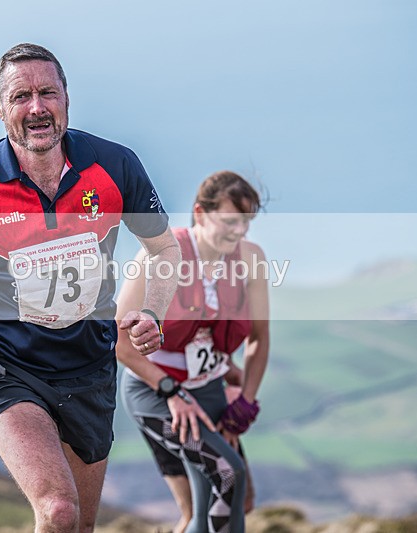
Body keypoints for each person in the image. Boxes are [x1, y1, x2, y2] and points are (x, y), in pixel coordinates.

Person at [0, 43, 181, 533]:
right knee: (57, 510)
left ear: (66, 100)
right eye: (20, 97)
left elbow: (165, 249)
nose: (36, 107)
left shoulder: (115, 166)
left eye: (47, 93)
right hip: (7, 364)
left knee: (79, 527)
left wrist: (152, 313)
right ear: (0, 109)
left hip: (89, 365)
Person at [116, 171, 269, 533]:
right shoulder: (161, 256)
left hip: (209, 387)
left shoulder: (251, 260)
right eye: (231, 221)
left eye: (247, 223)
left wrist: (244, 403)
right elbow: (119, 341)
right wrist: (171, 391)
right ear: (200, 213)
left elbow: (259, 337)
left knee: (225, 499)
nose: (240, 232)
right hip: (155, 391)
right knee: (227, 477)